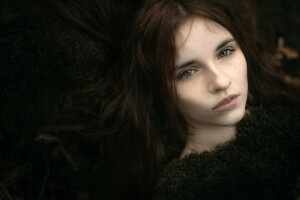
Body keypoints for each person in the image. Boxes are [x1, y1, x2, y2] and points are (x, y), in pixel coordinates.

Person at [1, 0, 299, 199]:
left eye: (225, 52)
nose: (220, 82)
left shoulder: (285, 117)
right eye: (187, 72)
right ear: (160, 89)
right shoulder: (187, 191)